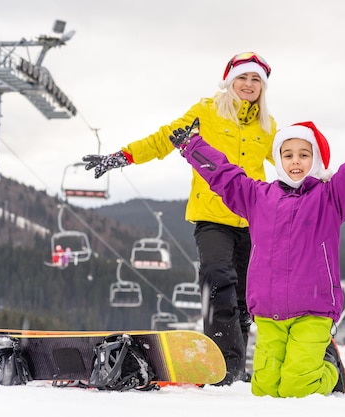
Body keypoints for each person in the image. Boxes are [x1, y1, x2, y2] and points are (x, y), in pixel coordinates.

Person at [168, 116, 345, 397]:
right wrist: (192, 147)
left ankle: (332, 372)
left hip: (313, 311)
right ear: (278, 159)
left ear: (315, 159)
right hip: (268, 314)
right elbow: (225, 175)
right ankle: (309, 367)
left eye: (304, 154)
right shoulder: (258, 197)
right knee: (264, 390)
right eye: (287, 155)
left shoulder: (331, 197)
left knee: (297, 387)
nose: (295, 161)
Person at [82, 52, 277, 385]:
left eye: (255, 80)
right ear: (229, 82)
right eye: (242, 78)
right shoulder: (206, 112)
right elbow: (164, 139)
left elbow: (290, 160)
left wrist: (320, 181)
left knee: (244, 300)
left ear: (263, 87)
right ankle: (224, 370)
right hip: (212, 217)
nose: (248, 85)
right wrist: (122, 156)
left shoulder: (268, 126)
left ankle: (235, 367)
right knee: (217, 280)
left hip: (251, 219)